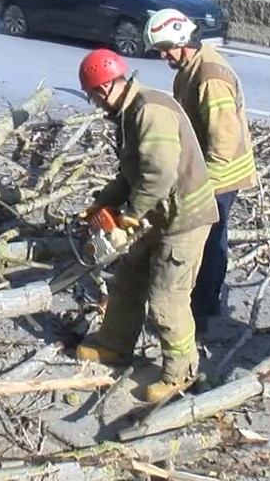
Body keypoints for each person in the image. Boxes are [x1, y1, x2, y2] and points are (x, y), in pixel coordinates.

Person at [73, 48, 220, 403]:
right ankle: (114, 345)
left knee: (167, 299)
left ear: (105, 88)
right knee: (129, 279)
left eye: (94, 97)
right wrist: (102, 203)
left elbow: (158, 175)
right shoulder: (129, 113)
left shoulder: (149, 112)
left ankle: (181, 372)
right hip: (159, 215)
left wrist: (129, 216)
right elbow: (130, 173)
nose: (95, 104)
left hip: (183, 218)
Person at [142, 8, 257, 331]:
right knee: (206, 238)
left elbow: (222, 140)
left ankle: (204, 309)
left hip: (221, 175)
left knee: (209, 240)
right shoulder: (191, 64)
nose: (163, 55)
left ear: (182, 39)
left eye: (165, 47)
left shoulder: (209, 77)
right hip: (207, 170)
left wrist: (202, 185)